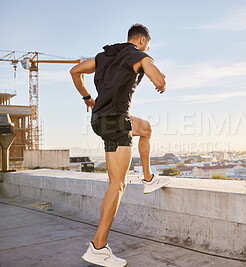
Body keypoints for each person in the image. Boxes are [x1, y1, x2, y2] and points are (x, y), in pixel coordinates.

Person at [69, 23, 171, 267]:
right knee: (117, 184)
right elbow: (157, 77)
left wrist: (87, 97)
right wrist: (161, 82)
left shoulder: (104, 56)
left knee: (145, 128)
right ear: (143, 41)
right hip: (115, 122)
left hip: (101, 119)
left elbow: (75, 71)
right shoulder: (140, 55)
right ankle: (99, 247)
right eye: (148, 44)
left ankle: (148, 178)